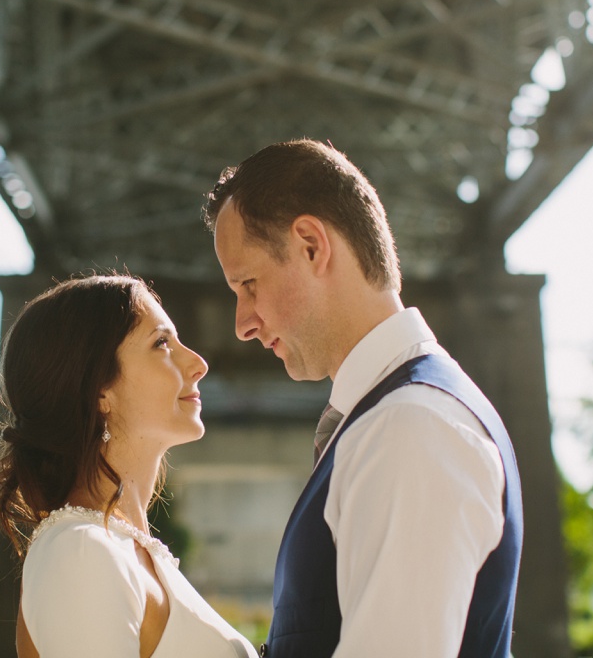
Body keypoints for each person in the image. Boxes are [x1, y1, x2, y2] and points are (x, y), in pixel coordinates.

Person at [203, 139, 523, 658]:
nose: (242, 324)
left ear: (311, 245)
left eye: (248, 284)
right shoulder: (400, 417)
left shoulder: (412, 428)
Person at [0, 274, 255, 658]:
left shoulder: (123, 549)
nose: (198, 363)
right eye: (161, 343)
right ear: (99, 390)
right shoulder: (82, 551)